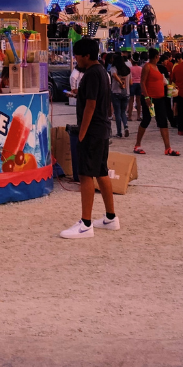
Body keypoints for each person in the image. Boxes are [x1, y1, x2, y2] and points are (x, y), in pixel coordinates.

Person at [59, 38, 118, 239]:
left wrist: (82, 133)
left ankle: (85, 223)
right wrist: (78, 93)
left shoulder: (92, 74)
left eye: (76, 55)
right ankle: (111, 217)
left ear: (86, 55)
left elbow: (91, 106)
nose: (75, 59)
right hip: (102, 129)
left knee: (86, 174)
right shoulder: (101, 71)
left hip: (92, 131)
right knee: (101, 171)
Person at [132, 48, 180, 156]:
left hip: (160, 98)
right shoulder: (147, 67)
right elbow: (142, 82)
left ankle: (167, 148)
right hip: (150, 98)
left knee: (163, 122)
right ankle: (137, 144)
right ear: (156, 56)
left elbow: (161, 82)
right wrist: (146, 97)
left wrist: (170, 87)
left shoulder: (157, 68)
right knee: (146, 120)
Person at [108, 53, 130, 138]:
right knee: (123, 112)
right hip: (126, 93)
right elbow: (130, 82)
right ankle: (126, 126)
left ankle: (119, 132)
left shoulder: (113, 68)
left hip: (116, 92)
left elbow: (114, 75)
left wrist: (120, 82)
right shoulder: (128, 70)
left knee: (117, 112)